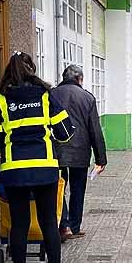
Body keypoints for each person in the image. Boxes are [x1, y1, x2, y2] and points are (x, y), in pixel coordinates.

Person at [0, 53, 75, 263]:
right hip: (44, 168)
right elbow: (66, 132)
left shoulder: (1, 97)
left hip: (15, 171)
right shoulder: (45, 94)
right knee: (48, 222)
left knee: (19, 223)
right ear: (31, 69)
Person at [53, 64, 108, 242]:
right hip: (80, 151)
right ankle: (74, 227)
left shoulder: (52, 94)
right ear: (80, 79)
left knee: (58, 188)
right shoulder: (87, 98)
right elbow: (95, 130)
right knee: (78, 189)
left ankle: (64, 224)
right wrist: (101, 159)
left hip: (56, 150)